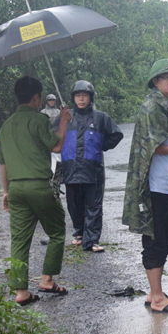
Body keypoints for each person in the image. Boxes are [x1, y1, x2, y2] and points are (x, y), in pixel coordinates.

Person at [123, 59, 168, 314]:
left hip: (165, 183)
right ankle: (158, 297)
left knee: (164, 237)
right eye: (166, 77)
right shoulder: (153, 106)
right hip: (155, 184)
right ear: (155, 81)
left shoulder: (167, 104)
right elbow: (150, 145)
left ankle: (155, 292)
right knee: (156, 239)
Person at [0, 76, 72, 305]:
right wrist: (64, 121)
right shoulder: (38, 120)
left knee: (19, 240)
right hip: (39, 185)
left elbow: (3, 163)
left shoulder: (6, 125)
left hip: (16, 188)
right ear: (36, 97)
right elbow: (56, 145)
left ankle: (21, 292)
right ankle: (47, 279)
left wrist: (5, 192)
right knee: (57, 232)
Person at [58, 80, 122, 252]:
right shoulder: (66, 117)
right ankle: (79, 233)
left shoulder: (100, 117)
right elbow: (51, 135)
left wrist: (101, 145)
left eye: (84, 95)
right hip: (70, 167)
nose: (81, 99)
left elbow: (117, 134)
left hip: (92, 169)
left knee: (93, 206)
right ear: (73, 98)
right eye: (78, 95)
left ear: (90, 98)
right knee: (74, 205)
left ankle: (92, 240)